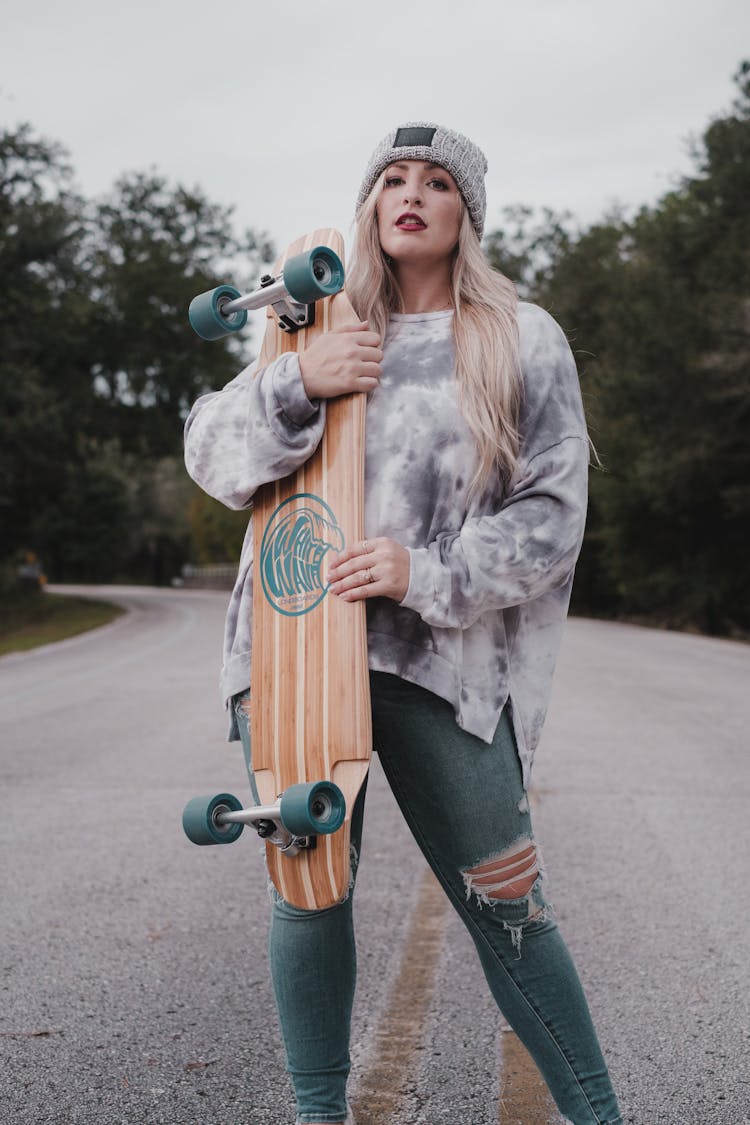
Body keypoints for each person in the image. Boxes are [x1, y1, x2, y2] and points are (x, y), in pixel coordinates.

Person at [184, 122, 623, 1125]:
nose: (410, 193)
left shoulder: (519, 337)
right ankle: (318, 1116)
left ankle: (601, 1117)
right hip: (294, 652)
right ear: (370, 203)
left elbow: (551, 522)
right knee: (307, 887)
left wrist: (422, 571)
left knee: (509, 906)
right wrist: (301, 379)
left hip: (443, 664)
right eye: (392, 177)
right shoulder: (309, 323)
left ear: (467, 212)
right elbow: (213, 459)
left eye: (437, 181)